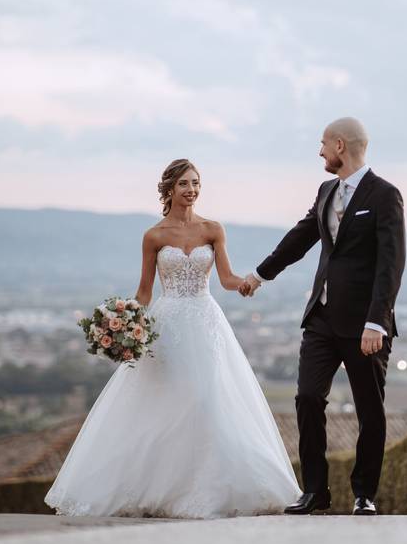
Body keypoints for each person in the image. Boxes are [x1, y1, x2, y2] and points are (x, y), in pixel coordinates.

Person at [44, 159, 301, 518]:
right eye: (184, 183)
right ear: (169, 189)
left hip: (205, 321)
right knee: (166, 402)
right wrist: (121, 319)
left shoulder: (213, 229)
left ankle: (208, 489)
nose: (192, 189)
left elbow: (225, 278)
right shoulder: (154, 236)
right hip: (166, 325)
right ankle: (158, 488)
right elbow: (145, 292)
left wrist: (245, 282)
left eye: (196, 183)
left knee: (207, 399)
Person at [239, 117, 406, 516]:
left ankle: (364, 494)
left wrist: (377, 321)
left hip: (366, 324)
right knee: (308, 397)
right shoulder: (326, 189)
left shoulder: (385, 195)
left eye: (323, 144)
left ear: (341, 147)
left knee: (369, 410)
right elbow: (302, 236)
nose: (319, 152)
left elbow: (391, 262)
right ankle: (315, 491)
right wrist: (261, 274)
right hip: (321, 318)